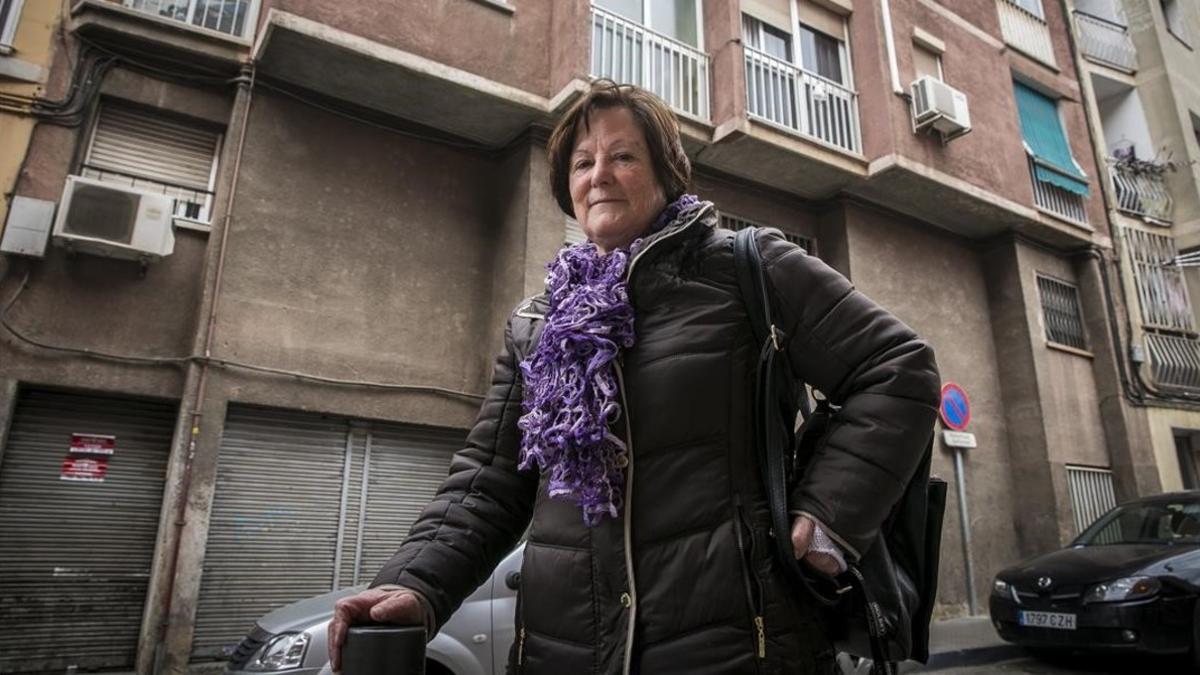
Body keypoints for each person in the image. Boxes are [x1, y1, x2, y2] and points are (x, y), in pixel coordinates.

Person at [329, 80, 940, 675]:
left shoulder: (748, 269)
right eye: (583, 162)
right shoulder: (536, 325)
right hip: (561, 651)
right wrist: (413, 585)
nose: (599, 175)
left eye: (623, 156)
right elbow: (487, 487)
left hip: (738, 648)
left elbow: (897, 368)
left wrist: (825, 521)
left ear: (666, 172)